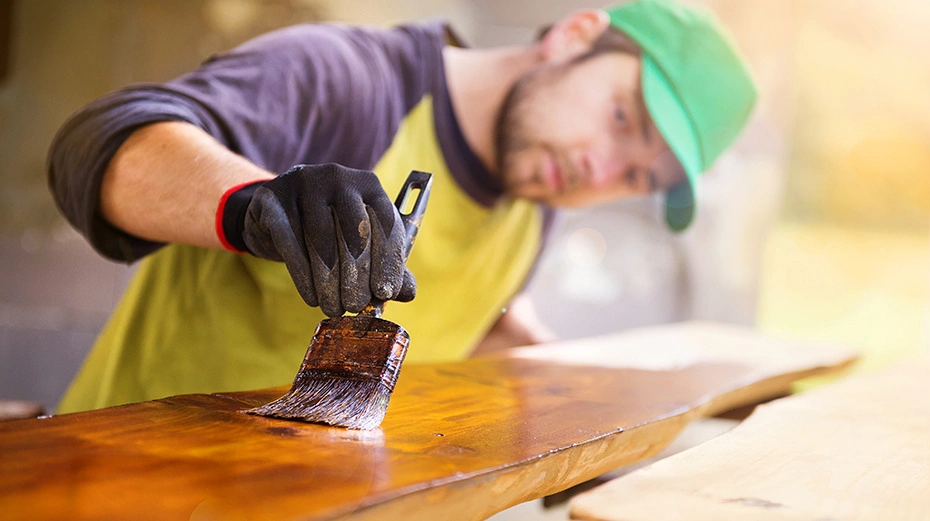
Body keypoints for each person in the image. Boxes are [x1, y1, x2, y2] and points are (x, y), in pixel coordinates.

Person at [48, 0, 757, 413]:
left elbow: (473, 320)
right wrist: (253, 204)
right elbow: (100, 148)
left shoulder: (536, 203)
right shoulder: (350, 83)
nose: (602, 169)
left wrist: (597, 401)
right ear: (573, 35)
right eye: (624, 118)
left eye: (637, 176)